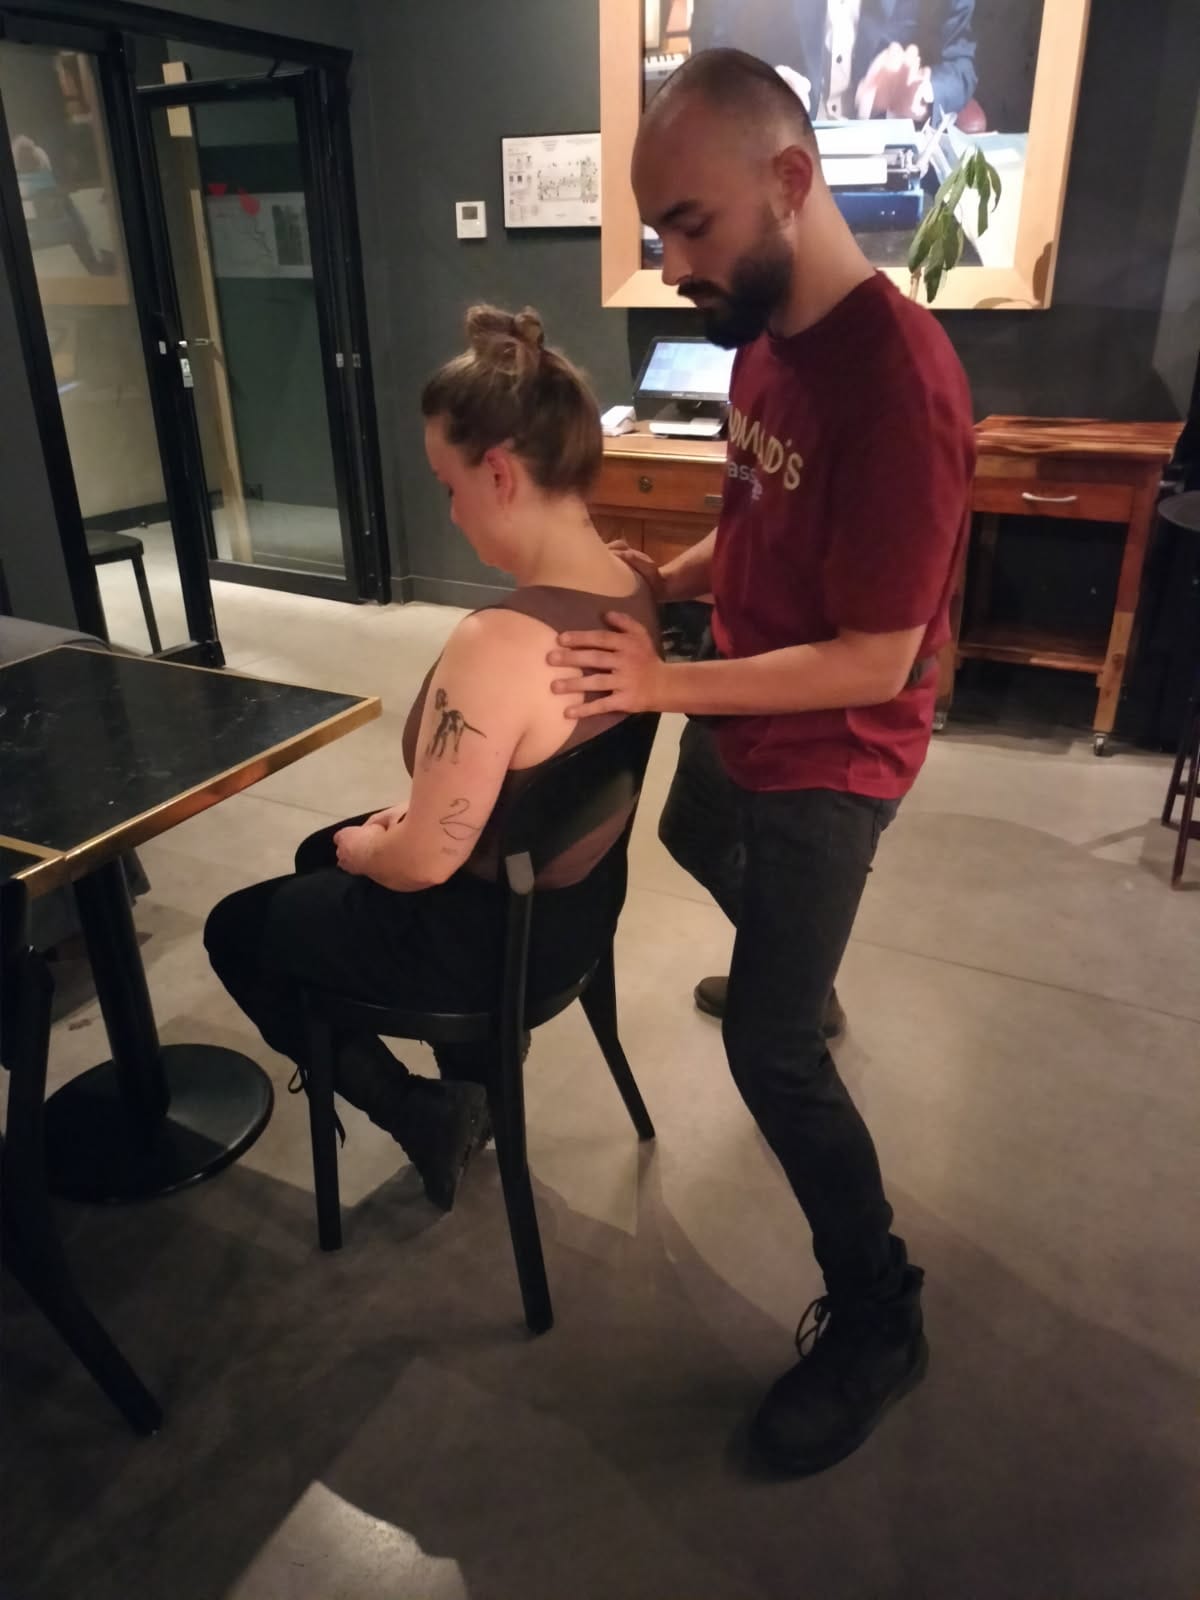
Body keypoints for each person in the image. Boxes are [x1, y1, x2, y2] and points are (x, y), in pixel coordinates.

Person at [547, 50, 975, 1476]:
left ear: (791, 180)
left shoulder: (900, 385)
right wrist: (669, 579)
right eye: (659, 231)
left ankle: (882, 1317)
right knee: (688, 836)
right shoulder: (761, 338)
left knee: (768, 1049)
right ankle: (806, 964)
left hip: (835, 752)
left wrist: (662, 679)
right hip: (746, 696)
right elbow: (759, 520)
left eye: (690, 225)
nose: (671, 264)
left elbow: (877, 658)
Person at [204, 306, 660, 1212]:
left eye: (449, 486)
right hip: (577, 908)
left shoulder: (499, 644)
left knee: (238, 928)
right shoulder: (635, 582)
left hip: (492, 941)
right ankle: (479, 1079)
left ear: (499, 473)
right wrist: (383, 837)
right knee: (316, 856)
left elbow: (425, 860)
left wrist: (379, 845)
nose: (449, 511)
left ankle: (424, 1111)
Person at [689, 0, 977, 123]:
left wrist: (922, 94)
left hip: (889, 161)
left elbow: (960, 64)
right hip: (771, 154)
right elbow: (708, 58)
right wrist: (756, 92)